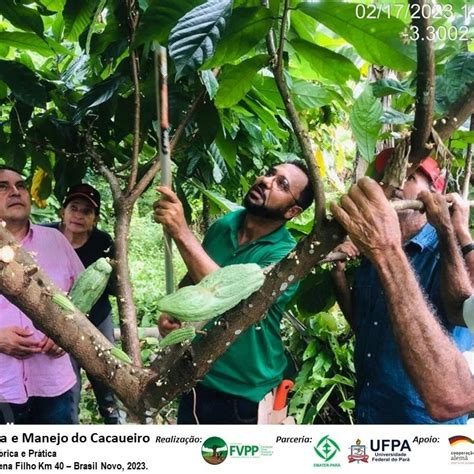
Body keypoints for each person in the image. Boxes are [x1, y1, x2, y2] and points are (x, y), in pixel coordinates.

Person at [153, 161, 314, 424]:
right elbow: (196, 277)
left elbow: (230, 298)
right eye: (270, 173)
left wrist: (182, 232)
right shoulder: (224, 225)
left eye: (282, 184)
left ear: (292, 211)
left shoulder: (286, 257)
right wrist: (175, 311)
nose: (266, 180)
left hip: (245, 394)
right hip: (196, 377)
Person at [330, 151, 472, 424]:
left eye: (409, 176)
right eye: (386, 176)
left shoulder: (449, 253)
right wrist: (338, 277)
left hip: (424, 426)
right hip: (371, 411)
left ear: (434, 191)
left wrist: (452, 233)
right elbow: (365, 325)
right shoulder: (372, 246)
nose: (395, 184)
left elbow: (463, 311)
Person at [0, 167, 84, 424]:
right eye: (2, 186)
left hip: (54, 385)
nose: (15, 192)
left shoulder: (55, 240)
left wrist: (66, 333)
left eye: (21, 185)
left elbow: (82, 296)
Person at [46, 183, 120, 424]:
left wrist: (115, 268)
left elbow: (112, 287)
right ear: (62, 212)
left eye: (86, 211)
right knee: (68, 382)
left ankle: (113, 418)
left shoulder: (102, 242)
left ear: (95, 219)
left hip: (97, 318)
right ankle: (71, 426)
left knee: (105, 371)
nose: (78, 215)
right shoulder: (46, 236)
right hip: (59, 319)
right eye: (73, 208)